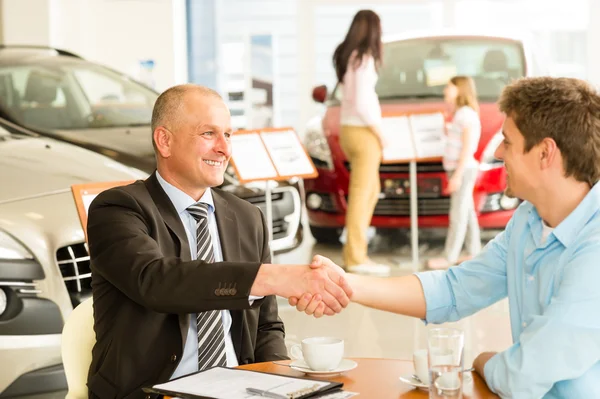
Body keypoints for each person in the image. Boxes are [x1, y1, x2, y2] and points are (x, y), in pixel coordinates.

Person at [292, 77, 600, 397]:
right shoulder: (528, 221)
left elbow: (523, 373)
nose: (496, 151)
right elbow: (455, 290)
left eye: (507, 141)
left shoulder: (595, 249)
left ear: (545, 153)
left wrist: (483, 361)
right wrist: (345, 284)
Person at [86, 84, 352, 399]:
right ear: (165, 141)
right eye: (208, 134)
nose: (224, 149)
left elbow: (266, 327)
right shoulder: (118, 208)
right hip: (153, 391)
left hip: (243, 388)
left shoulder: (246, 217)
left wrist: (280, 384)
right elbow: (157, 281)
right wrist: (276, 277)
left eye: (228, 135)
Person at [333, 9, 389, 276]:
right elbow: (363, 102)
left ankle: (357, 252)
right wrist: (380, 133)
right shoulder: (364, 60)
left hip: (349, 129)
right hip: (363, 131)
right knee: (362, 192)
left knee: (368, 189)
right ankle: (356, 257)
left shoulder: (351, 58)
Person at [428, 76, 482, 269]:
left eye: (448, 88)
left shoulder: (466, 114)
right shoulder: (460, 114)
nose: (445, 91)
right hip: (460, 170)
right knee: (466, 212)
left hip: (463, 170)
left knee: (458, 213)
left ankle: (449, 256)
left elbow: (467, 149)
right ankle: (474, 251)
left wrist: (458, 175)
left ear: (460, 89)